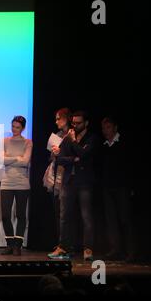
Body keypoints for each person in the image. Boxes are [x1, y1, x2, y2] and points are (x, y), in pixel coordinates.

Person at [48, 111, 97, 261]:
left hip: (84, 182)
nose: (75, 126)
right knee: (64, 216)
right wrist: (74, 159)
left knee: (86, 216)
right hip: (68, 181)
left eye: (78, 123)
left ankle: (87, 249)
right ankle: (63, 247)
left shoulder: (92, 138)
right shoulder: (68, 138)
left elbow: (84, 155)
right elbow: (60, 159)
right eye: (74, 123)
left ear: (86, 123)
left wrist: (75, 145)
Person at [101, 116, 136, 262]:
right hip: (107, 188)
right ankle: (116, 249)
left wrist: (131, 186)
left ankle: (131, 251)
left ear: (115, 128)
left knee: (125, 219)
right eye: (103, 128)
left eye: (108, 127)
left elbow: (131, 166)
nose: (105, 131)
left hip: (122, 187)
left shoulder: (123, 143)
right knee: (111, 220)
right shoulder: (104, 146)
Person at [0, 115, 32, 256]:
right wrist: (16, 158)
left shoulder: (28, 142)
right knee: (5, 215)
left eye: (18, 127)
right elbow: (1, 160)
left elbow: (26, 162)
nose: (14, 129)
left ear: (23, 128)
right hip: (6, 182)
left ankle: (18, 245)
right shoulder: (5, 141)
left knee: (20, 215)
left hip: (22, 182)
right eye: (13, 126)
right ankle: (10, 244)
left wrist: (9, 159)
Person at [43, 108, 72, 241]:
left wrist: (61, 153)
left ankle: (67, 244)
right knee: (57, 212)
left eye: (58, 118)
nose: (56, 122)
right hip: (54, 173)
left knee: (66, 213)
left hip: (67, 175)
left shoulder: (72, 134)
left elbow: (75, 156)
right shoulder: (58, 135)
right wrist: (54, 153)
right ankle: (60, 242)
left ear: (66, 119)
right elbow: (51, 157)